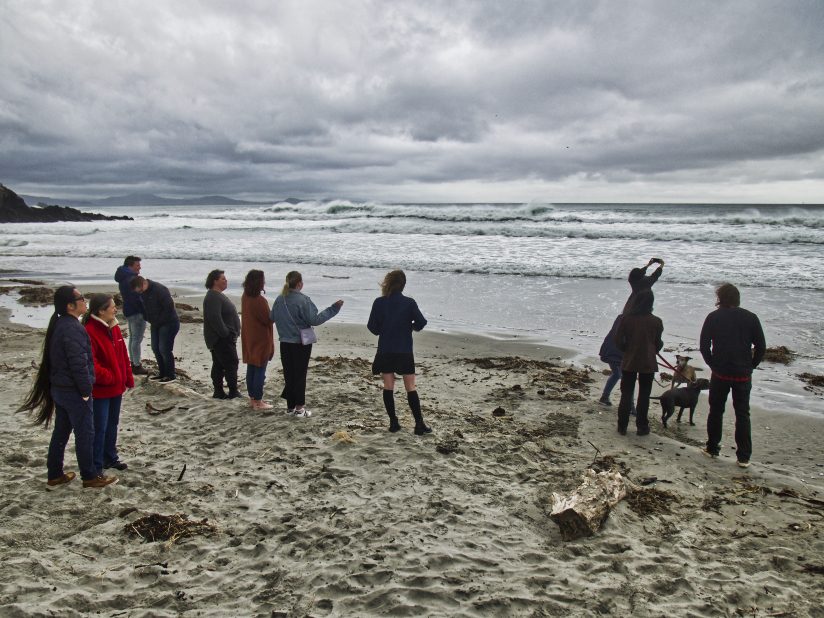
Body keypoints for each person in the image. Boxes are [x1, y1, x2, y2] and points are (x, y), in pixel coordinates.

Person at [16, 286, 118, 489]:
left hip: (61, 390)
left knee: (61, 434)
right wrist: (85, 392)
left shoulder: (62, 324)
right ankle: (89, 477)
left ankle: (55, 475)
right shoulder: (72, 328)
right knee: (85, 434)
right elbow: (78, 363)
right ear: (70, 305)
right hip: (72, 392)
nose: (85, 300)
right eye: (81, 298)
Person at [699, 283, 766, 468]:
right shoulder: (751, 318)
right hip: (742, 373)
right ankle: (743, 457)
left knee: (716, 411)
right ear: (737, 298)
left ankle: (712, 448)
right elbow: (761, 347)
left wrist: (712, 364)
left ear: (720, 298)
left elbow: (704, 347)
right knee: (743, 413)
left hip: (720, 372)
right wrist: (752, 365)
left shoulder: (713, 317)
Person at [270, 271, 343, 417]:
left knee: (289, 374)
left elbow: (272, 317)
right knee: (299, 375)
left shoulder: (279, 299)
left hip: (284, 341)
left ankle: (290, 407)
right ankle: (299, 409)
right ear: (299, 283)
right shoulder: (303, 300)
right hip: (300, 342)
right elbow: (314, 320)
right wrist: (333, 309)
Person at [367, 270, 431, 435]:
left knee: (388, 386)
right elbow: (421, 322)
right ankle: (419, 424)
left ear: (388, 283)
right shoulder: (409, 303)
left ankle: (394, 423)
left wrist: (384, 329)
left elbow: (372, 327)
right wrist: (412, 327)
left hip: (386, 349)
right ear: (402, 285)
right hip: (404, 350)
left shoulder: (379, 302)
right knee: (410, 387)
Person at [82, 293, 134, 474]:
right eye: (112, 307)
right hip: (101, 390)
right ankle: (96, 465)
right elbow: (91, 364)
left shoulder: (114, 328)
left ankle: (110, 459)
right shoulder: (89, 331)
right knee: (99, 428)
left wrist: (127, 378)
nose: (116, 309)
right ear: (101, 311)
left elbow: (123, 355)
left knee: (112, 424)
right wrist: (111, 378)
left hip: (116, 388)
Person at [613, 289, 663, 436]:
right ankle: (642, 426)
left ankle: (622, 426)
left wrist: (626, 349)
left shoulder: (626, 319)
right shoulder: (656, 321)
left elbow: (617, 339)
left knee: (626, 394)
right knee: (644, 395)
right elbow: (658, 343)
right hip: (648, 362)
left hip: (630, 360)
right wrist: (653, 350)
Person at [129, 275, 180, 383]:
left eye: (140, 290)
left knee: (164, 349)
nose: (140, 293)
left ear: (144, 284)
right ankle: (162, 373)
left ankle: (170, 375)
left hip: (169, 323)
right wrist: (147, 317)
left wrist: (159, 320)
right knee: (155, 348)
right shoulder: (144, 293)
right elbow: (145, 308)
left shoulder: (160, 290)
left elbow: (169, 307)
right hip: (155, 323)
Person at [203, 269, 243, 399]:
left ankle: (219, 391)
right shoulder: (213, 297)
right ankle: (232, 390)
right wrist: (225, 333)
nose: (226, 281)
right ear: (215, 281)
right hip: (220, 339)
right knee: (231, 363)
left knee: (220, 364)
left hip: (224, 337)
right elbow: (214, 318)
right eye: (223, 279)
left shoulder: (217, 295)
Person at [241, 269, 275, 410]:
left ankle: (252, 398)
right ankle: (258, 401)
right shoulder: (259, 300)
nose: (264, 282)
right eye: (263, 280)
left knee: (251, 368)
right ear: (258, 282)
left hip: (249, 337)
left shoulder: (245, 296)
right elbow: (268, 319)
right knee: (260, 370)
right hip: (260, 338)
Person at [114, 255, 148, 374]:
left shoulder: (123, 276)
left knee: (133, 338)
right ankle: (137, 365)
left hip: (128, 310)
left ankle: (133, 363)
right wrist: (144, 311)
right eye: (137, 266)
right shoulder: (131, 279)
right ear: (129, 266)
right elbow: (135, 297)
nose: (139, 268)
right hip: (135, 312)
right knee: (136, 339)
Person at [597, 315, 636, 415]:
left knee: (616, 374)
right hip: (619, 353)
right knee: (628, 379)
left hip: (609, 349)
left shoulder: (621, 317)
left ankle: (604, 397)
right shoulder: (633, 319)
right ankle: (631, 407)